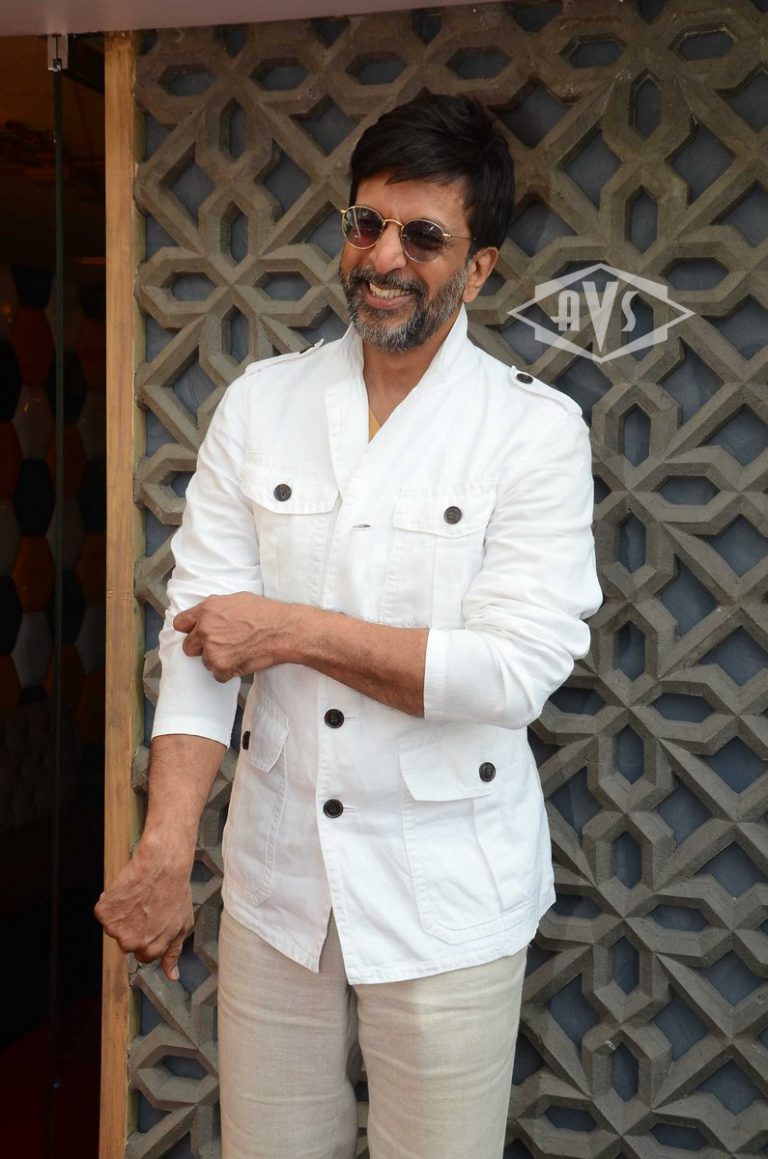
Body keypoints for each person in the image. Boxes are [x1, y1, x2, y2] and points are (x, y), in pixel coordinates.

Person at [97, 93, 602, 1158]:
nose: (383, 257)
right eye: (367, 224)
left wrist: (290, 630)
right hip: (278, 885)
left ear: (479, 268)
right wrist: (165, 847)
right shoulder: (261, 405)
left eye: (424, 237)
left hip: (447, 892)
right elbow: (199, 643)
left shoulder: (533, 431)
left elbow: (510, 672)